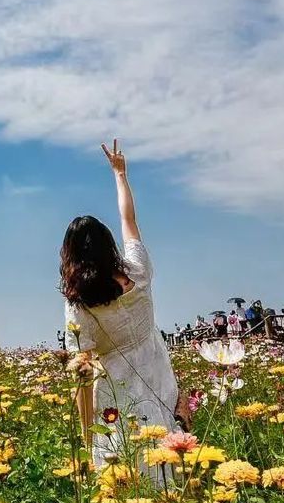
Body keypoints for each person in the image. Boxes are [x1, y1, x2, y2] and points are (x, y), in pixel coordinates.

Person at [61, 141, 188, 484]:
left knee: (123, 470)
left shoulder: (80, 303)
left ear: (70, 257)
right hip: (158, 371)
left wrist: (86, 441)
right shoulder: (137, 272)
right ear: (108, 245)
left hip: (116, 390)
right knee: (170, 453)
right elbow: (128, 219)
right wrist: (120, 174)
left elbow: (82, 377)